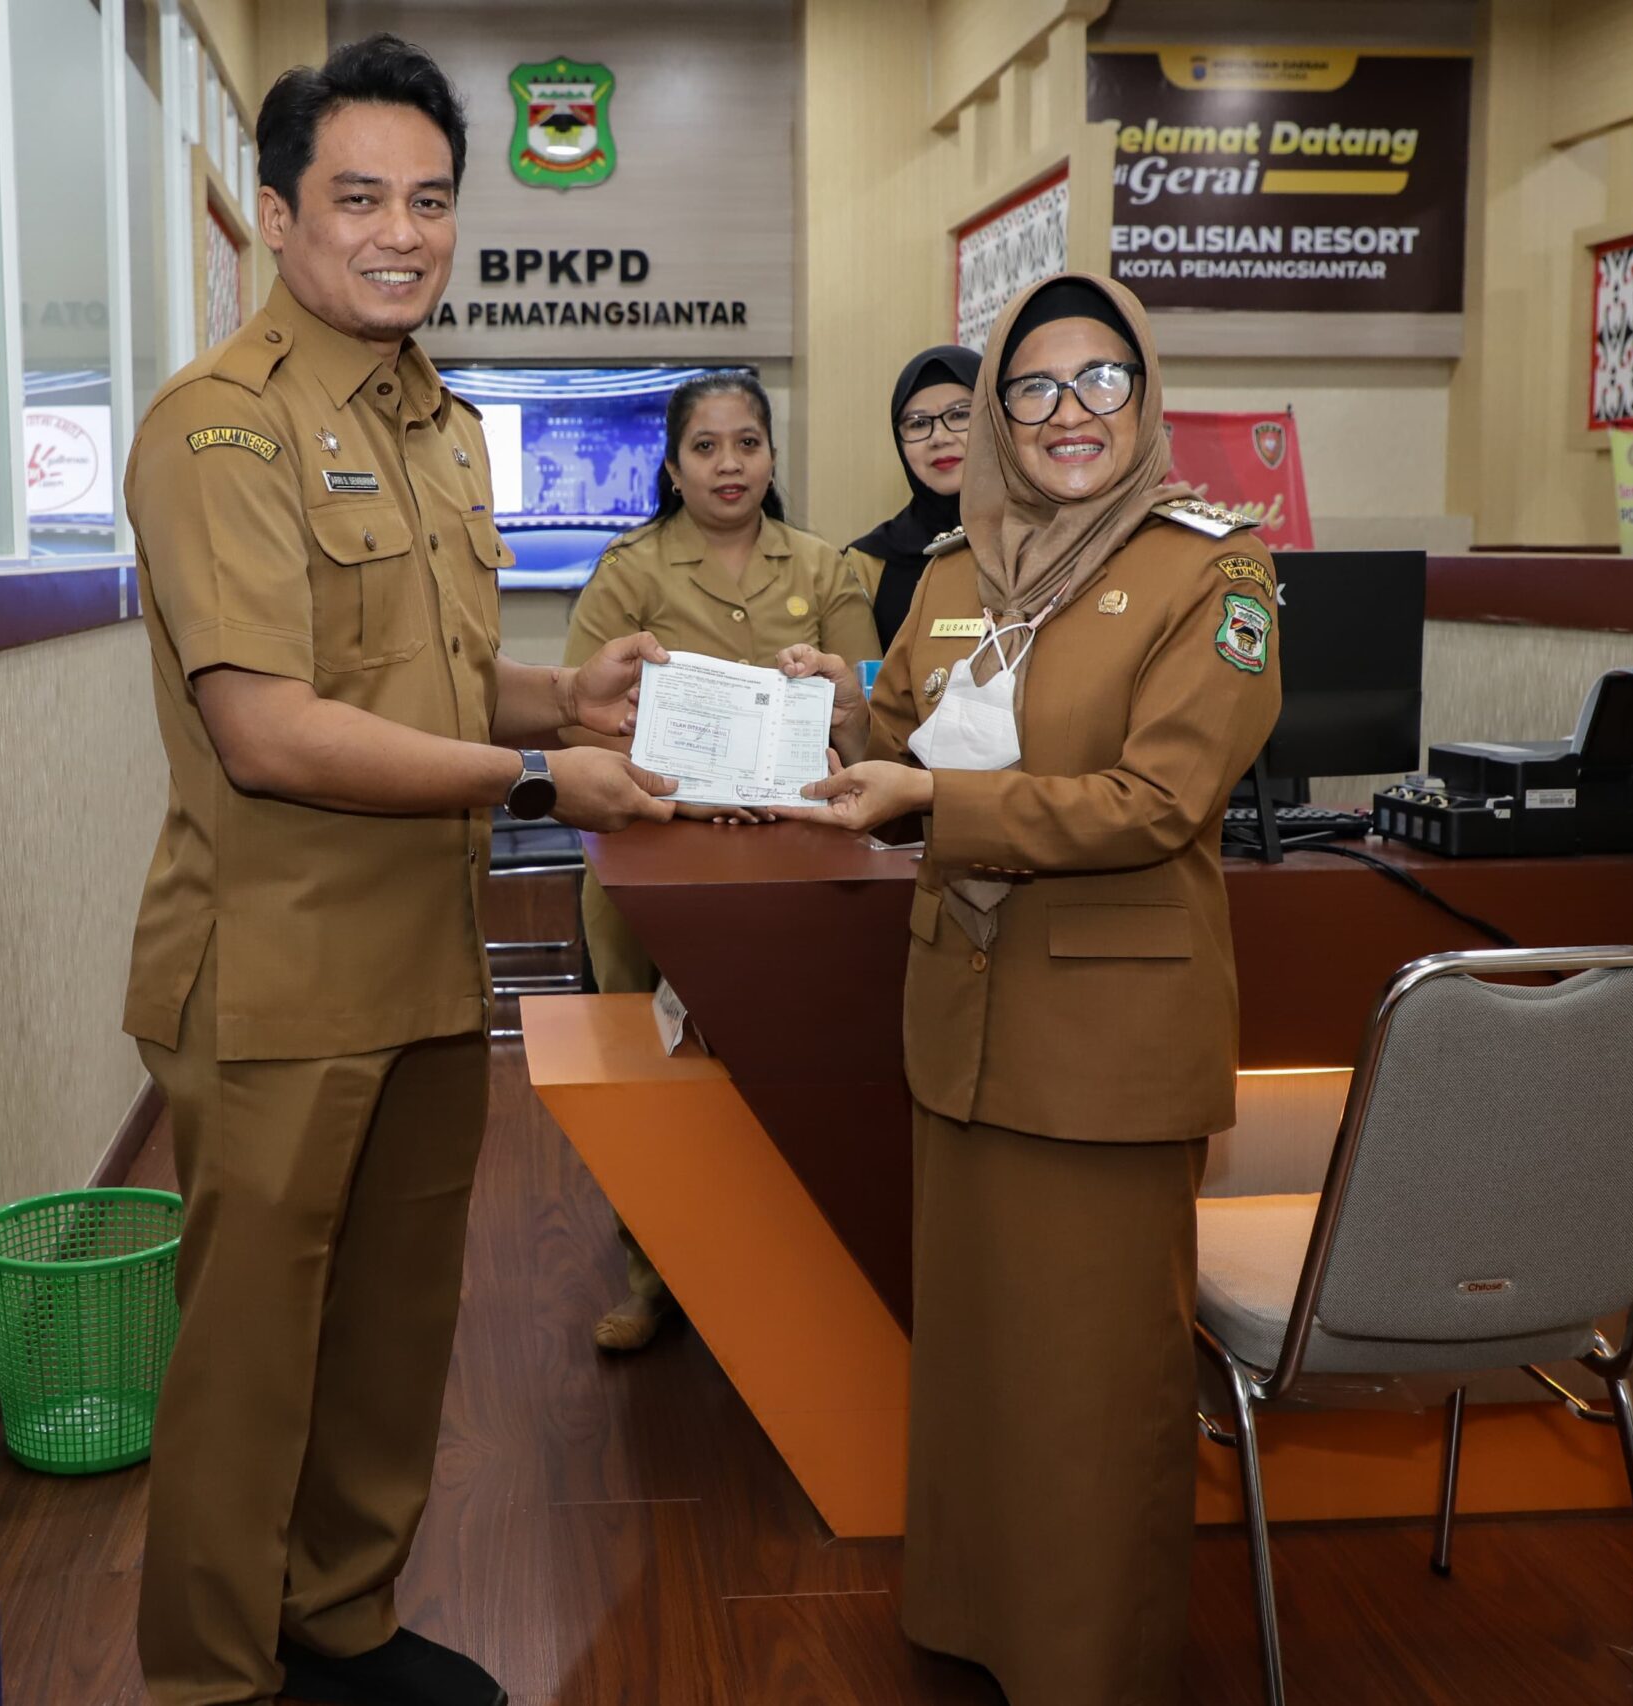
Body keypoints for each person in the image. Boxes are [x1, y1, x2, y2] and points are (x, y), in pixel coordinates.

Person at [120, 35, 675, 1706]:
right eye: (359, 198)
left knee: (392, 1330)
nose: (400, 233)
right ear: (281, 217)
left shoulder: (439, 426)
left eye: (429, 201)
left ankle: (341, 1623)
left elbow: (417, 676)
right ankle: (215, 1677)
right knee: (249, 1362)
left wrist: (562, 698)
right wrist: (540, 774)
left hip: (427, 961)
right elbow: (271, 728)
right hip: (276, 979)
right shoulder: (219, 429)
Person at [786, 273, 1282, 1704]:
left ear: (1145, 395)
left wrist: (934, 804)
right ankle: (974, 1619)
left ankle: (1089, 1662)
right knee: (981, 1365)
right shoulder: (954, 572)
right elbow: (896, 738)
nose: (1070, 413)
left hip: (1108, 1045)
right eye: (1035, 387)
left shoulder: (1213, 572)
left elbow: (1156, 801)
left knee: (1094, 1382)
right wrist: (831, 712)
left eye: (1101, 380)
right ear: (997, 411)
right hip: (964, 1023)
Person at [560, 369, 877, 1352]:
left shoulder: (828, 569)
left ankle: (790, 1269)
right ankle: (654, 1276)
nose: (728, 463)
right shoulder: (629, 571)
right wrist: (671, 785)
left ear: (773, 456)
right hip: (651, 866)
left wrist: (845, 701)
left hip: (801, 873)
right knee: (652, 1079)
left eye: (747, 442)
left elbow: (875, 732)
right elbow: (578, 721)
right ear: (671, 466)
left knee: (789, 1075)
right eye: (705, 446)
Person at [839, 344, 982, 651]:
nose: (939, 437)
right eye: (918, 423)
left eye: (960, 414)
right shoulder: (867, 563)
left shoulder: (1043, 538)